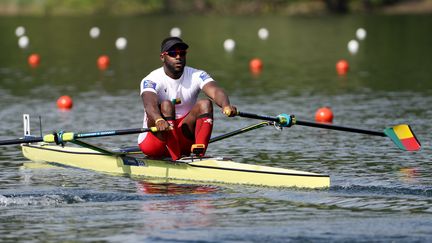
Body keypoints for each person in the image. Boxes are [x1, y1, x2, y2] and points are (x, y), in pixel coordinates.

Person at [138, 37, 237, 161]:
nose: (178, 57)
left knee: (205, 104)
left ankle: (198, 155)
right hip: (155, 142)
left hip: (184, 141)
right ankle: (176, 158)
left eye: (182, 53)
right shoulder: (151, 79)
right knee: (167, 105)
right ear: (162, 57)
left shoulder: (196, 75)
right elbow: (149, 104)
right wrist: (158, 119)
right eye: (173, 54)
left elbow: (215, 91)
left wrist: (225, 105)